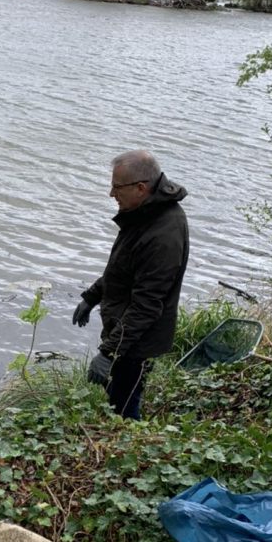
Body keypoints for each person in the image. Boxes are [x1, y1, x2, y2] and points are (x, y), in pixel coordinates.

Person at [72, 150, 189, 420]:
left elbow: (146, 307)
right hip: (124, 331)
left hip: (138, 341)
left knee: (124, 406)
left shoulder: (163, 235)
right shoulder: (142, 212)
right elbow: (122, 270)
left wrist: (109, 352)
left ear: (140, 188)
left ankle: (132, 439)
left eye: (117, 187)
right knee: (116, 397)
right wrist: (92, 297)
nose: (111, 194)